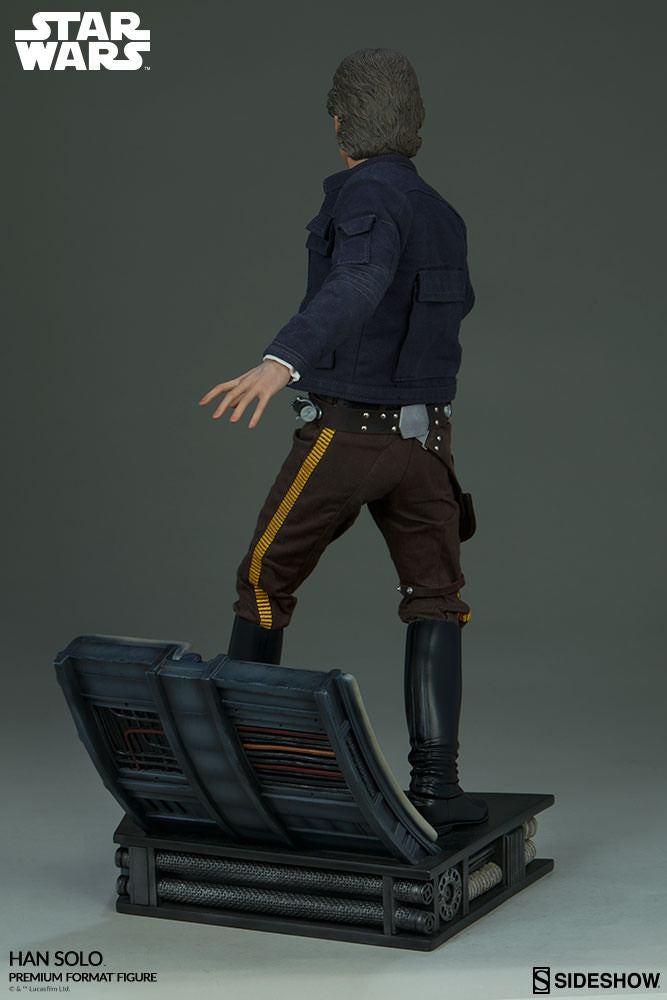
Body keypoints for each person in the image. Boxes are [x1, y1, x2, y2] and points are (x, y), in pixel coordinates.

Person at [199, 48, 487, 832]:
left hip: (349, 435)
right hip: (427, 445)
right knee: (435, 599)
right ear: (412, 121)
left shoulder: (365, 195)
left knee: (263, 581)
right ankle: (437, 787)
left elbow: (357, 281)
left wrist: (280, 361)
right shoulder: (440, 211)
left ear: (339, 121)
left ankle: (240, 777)